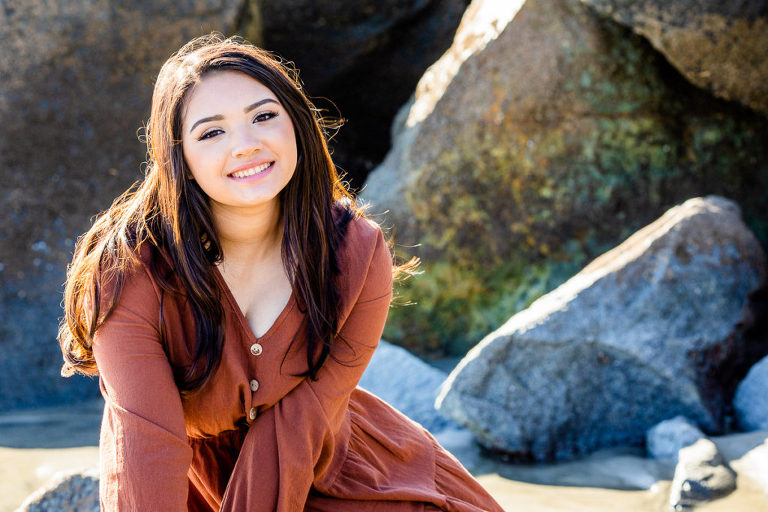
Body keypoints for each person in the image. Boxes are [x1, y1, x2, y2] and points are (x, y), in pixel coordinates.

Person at [58, 33, 504, 512]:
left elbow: (303, 421)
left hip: (349, 471)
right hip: (189, 488)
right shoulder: (128, 270)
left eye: (263, 116)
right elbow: (147, 441)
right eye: (212, 132)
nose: (246, 145)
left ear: (296, 124)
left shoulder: (356, 252)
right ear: (179, 159)